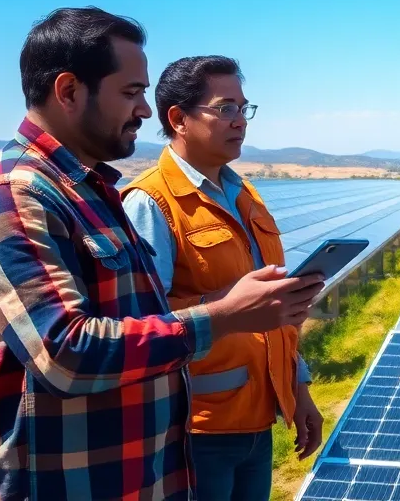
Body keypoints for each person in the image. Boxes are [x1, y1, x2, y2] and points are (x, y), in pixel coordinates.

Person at [0, 8, 324, 501]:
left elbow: (143, 322)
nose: (145, 110)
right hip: (63, 485)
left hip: (133, 476)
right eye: (131, 92)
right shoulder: (11, 196)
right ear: (69, 91)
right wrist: (223, 316)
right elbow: (64, 352)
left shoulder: (91, 192)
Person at [121, 56, 323, 501]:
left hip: (259, 419)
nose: (241, 122)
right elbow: (137, 325)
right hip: (195, 431)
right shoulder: (150, 204)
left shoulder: (245, 195)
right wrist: (228, 304)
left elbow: (273, 309)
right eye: (225, 108)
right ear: (178, 119)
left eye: (244, 108)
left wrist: (298, 385)